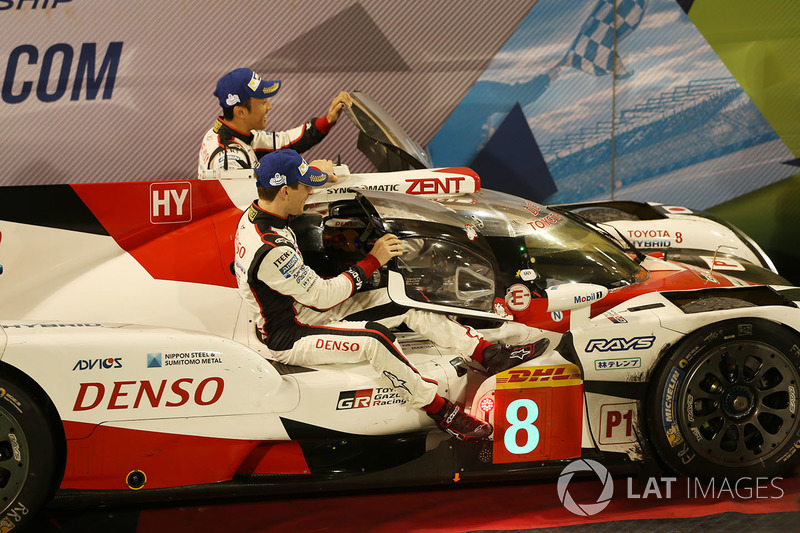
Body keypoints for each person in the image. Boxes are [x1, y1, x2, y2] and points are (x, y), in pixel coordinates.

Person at [234, 150, 546, 441]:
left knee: (403, 296)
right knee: (376, 339)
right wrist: (373, 260)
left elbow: (314, 290)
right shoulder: (271, 249)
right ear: (285, 191)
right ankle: (442, 411)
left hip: (301, 309)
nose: (310, 191)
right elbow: (323, 296)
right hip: (290, 334)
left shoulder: (259, 211)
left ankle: (487, 354)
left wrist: (319, 172)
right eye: (304, 186)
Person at [198, 67, 352, 177]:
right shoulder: (228, 157)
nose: (270, 107)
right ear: (241, 112)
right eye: (263, 102)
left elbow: (287, 141)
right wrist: (311, 172)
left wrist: (328, 120)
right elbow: (257, 201)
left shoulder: (237, 135)